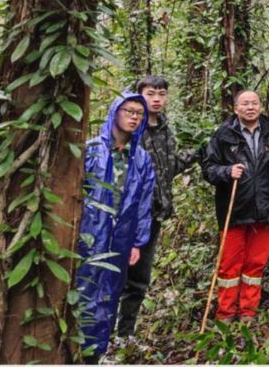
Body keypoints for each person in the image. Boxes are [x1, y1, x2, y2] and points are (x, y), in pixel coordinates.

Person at [76, 92, 156, 360]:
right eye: (128, 111)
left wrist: (138, 241)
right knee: (83, 287)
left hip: (121, 237)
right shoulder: (91, 150)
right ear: (115, 111)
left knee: (109, 294)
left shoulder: (141, 159)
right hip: (87, 233)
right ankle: (73, 348)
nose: (134, 117)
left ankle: (94, 355)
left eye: (139, 113)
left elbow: (144, 203)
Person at [117, 76, 195, 337]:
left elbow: (170, 168)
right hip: (127, 216)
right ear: (140, 96)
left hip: (154, 216)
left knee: (139, 278)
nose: (157, 99)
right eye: (151, 94)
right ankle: (100, 337)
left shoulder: (164, 129)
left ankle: (124, 335)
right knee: (116, 273)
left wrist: (200, 152)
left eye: (161, 94)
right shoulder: (130, 130)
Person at [202, 90, 269, 321]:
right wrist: (227, 171)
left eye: (254, 103)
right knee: (229, 265)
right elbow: (208, 168)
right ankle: (226, 313)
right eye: (245, 104)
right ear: (236, 108)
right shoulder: (222, 135)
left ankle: (249, 311)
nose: (250, 107)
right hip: (234, 209)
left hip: (265, 209)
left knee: (255, 265)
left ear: (261, 106)